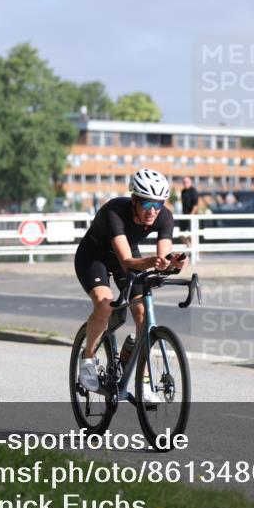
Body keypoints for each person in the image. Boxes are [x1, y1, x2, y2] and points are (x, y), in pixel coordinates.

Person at [73, 168, 188, 394]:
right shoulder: (115, 211)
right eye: (146, 205)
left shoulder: (164, 216)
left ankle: (142, 377)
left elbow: (163, 256)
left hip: (130, 256)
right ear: (134, 200)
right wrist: (153, 261)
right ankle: (87, 362)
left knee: (142, 312)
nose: (153, 211)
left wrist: (173, 262)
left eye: (158, 204)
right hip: (95, 256)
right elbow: (127, 261)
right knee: (104, 304)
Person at [178, 176, 199, 246]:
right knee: (180, 234)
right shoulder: (183, 191)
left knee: (192, 234)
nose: (185, 184)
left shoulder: (194, 191)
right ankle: (189, 247)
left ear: (190, 182)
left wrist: (191, 216)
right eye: (184, 182)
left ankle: (193, 251)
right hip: (184, 216)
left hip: (191, 217)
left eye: (186, 182)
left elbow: (195, 206)